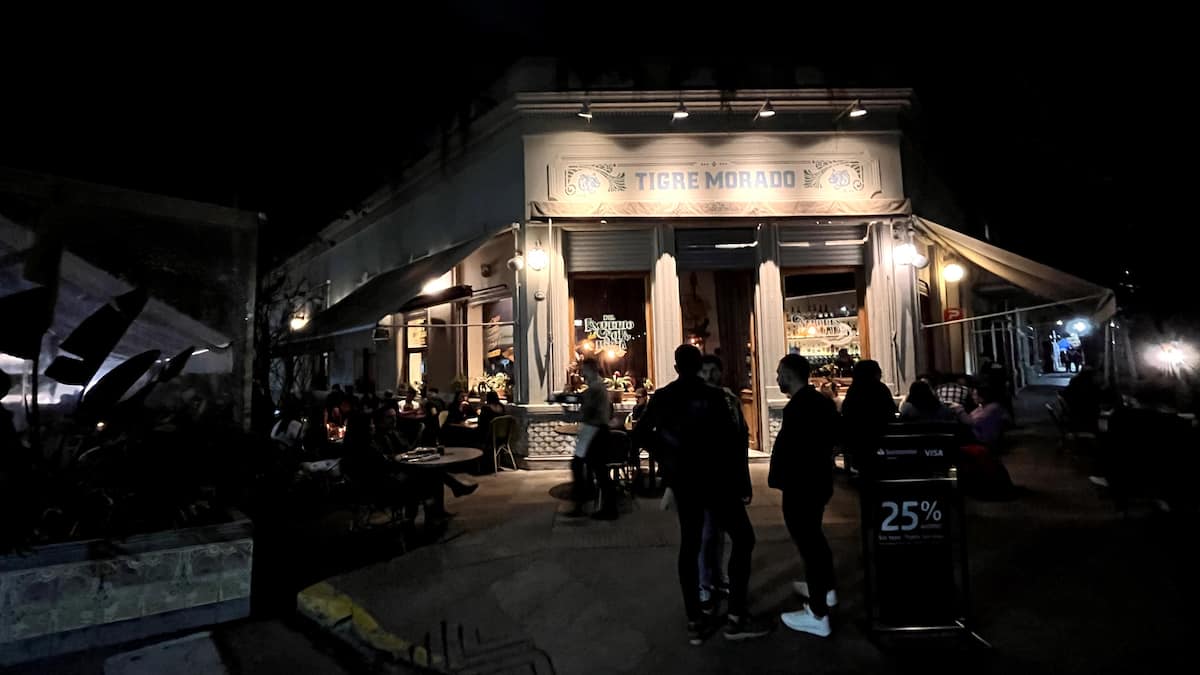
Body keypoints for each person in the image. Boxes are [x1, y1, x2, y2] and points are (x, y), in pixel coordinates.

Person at [633, 345, 769, 645]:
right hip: (717, 480)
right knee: (743, 539)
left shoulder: (664, 396)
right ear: (698, 367)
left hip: (686, 482)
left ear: (676, 366)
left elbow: (640, 434)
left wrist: (668, 455)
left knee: (690, 545)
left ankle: (695, 618)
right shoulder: (715, 397)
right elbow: (731, 442)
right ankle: (735, 615)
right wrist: (741, 482)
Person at [770, 354, 840, 638]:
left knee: (809, 544)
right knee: (815, 540)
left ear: (789, 374)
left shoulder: (799, 407)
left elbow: (795, 450)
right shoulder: (820, 402)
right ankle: (825, 589)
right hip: (817, 482)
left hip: (802, 486)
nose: (777, 378)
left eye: (779, 373)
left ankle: (818, 613)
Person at [696, 355, 751, 611]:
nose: (708, 375)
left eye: (713, 370)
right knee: (707, 534)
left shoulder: (730, 400)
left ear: (721, 372)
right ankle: (704, 585)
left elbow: (741, 440)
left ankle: (717, 578)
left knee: (719, 534)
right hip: (705, 479)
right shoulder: (696, 401)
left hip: (728, 479)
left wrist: (744, 481)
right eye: (704, 371)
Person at [566, 358, 617, 520]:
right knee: (597, 471)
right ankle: (601, 506)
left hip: (595, 432)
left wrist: (569, 413)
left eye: (584, 370)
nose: (582, 373)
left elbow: (586, 412)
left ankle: (592, 506)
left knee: (592, 470)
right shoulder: (598, 387)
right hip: (597, 431)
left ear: (591, 369)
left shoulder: (595, 388)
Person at [839, 360, 896, 474]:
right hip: (880, 439)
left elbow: (846, 413)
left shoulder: (854, 391)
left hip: (857, 442)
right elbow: (890, 412)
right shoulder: (881, 389)